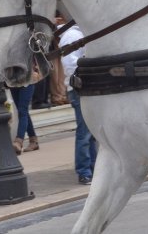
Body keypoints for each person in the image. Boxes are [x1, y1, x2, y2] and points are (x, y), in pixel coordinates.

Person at [57, 11, 97, 185]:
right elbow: (70, 64)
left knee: (92, 133)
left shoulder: (85, 32)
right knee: (84, 133)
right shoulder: (72, 35)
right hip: (79, 89)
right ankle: (84, 171)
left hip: (89, 88)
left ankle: (93, 168)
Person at [9, 79, 39, 154]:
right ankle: (33, 140)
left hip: (27, 79)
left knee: (22, 111)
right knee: (23, 111)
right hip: (13, 81)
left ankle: (19, 141)